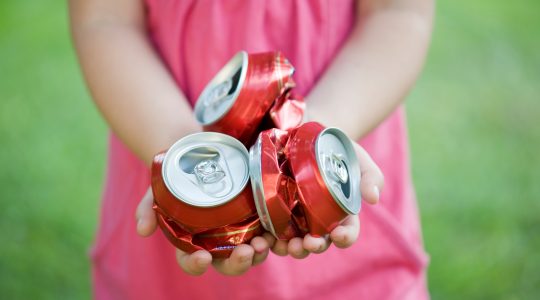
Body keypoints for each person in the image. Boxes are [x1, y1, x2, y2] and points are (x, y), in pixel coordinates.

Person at [69, 0, 434, 299]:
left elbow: (398, 12)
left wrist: (314, 137)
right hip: (155, 132)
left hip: (347, 139)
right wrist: (183, 155)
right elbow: (104, 20)